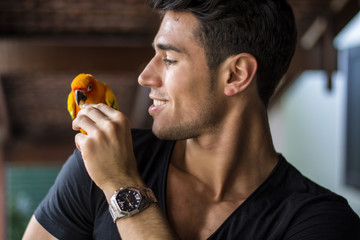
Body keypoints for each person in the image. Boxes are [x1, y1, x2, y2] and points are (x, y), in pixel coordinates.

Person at [23, 0, 360, 239]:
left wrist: (123, 186)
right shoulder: (96, 165)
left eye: (168, 59)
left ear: (235, 75)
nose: (145, 76)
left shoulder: (320, 223)